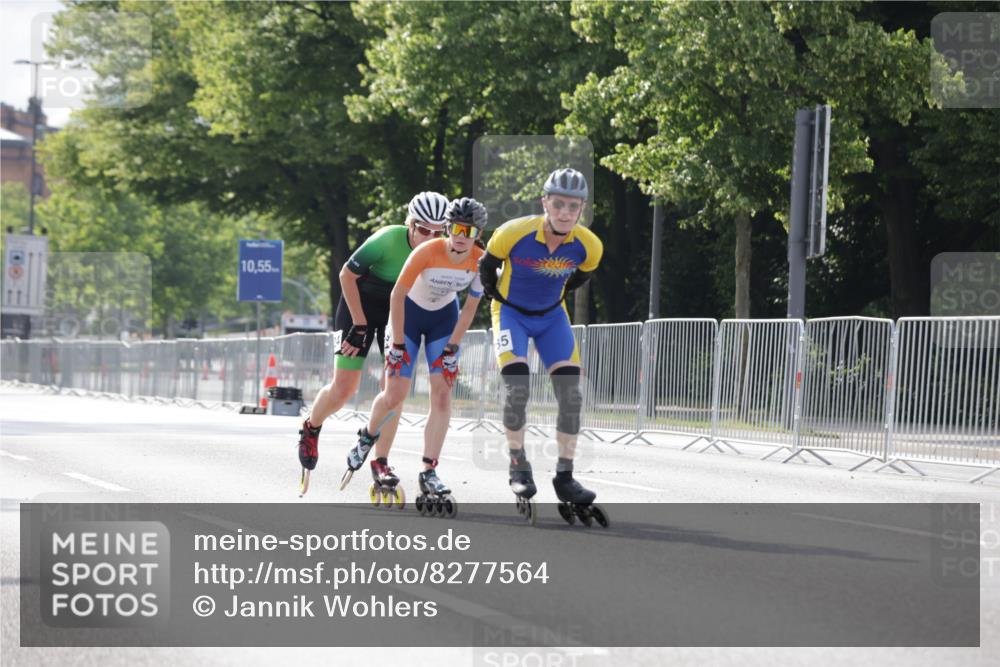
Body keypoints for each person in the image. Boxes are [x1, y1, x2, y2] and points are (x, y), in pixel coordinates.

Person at [477, 168, 608, 526]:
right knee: (518, 389)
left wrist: (555, 297)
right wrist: (497, 296)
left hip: (552, 317)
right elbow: (486, 267)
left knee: (571, 396)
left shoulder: (589, 245)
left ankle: (565, 475)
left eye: (573, 206)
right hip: (511, 313)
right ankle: (518, 462)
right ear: (545, 203)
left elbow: (581, 276)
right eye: (559, 204)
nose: (565, 212)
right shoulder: (513, 233)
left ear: (581, 209)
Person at [296, 192, 449, 492]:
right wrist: (360, 325)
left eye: (437, 231)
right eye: (423, 229)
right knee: (344, 389)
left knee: (394, 391)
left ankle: (381, 461)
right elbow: (346, 275)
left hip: (398, 311)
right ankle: (311, 426)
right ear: (411, 224)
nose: (430, 237)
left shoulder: (443, 250)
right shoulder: (387, 239)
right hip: (360, 304)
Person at [343, 197, 488, 514]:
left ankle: (429, 470)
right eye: (458, 228)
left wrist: (452, 347)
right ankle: (368, 438)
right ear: (448, 228)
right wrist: (395, 345)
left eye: (471, 230)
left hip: (443, 321)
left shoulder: (480, 260)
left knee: (442, 395)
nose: (463, 235)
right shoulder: (427, 251)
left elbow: (470, 308)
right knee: (395, 393)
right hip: (407, 316)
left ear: (478, 233)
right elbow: (397, 294)